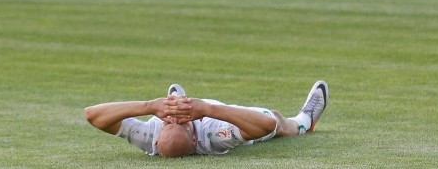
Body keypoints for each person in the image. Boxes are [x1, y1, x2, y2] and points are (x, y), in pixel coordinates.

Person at [84, 81, 329, 158]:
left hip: (204, 115)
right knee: (276, 121)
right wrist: (206, 109)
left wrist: (150, 106)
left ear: (157, 139)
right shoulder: (213, 137)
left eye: (169, 122)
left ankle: (175, 97)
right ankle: (305, 121)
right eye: (179, 122)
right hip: (219, 115)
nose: (175, 118)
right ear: (193, 138)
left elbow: (92, 114)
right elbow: (265, 126)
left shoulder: (147, 136)